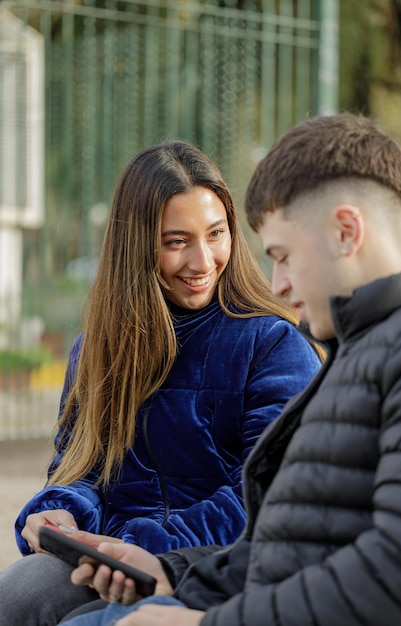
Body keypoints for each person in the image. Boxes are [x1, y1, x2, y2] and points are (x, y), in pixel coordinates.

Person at [62, 111, 401, 626]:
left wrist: (201, 620)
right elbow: (287, 544)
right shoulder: (356, 352)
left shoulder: (349, 351)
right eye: (176, 241)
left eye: (284, 255)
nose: (277, 285)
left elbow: (397, 573)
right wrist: (172, 571)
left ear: (346, 231)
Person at [0, 140, 321, 626]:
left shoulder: (272, 344)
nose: (203, 261)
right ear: (137, 247)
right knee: (18, 594)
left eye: (216, 234)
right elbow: (79, 467)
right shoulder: (94, 350)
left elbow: (268, 494)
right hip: (109, 560)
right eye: (176, 242)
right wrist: (59, 512)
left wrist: (144, 545)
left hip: (212, 566)